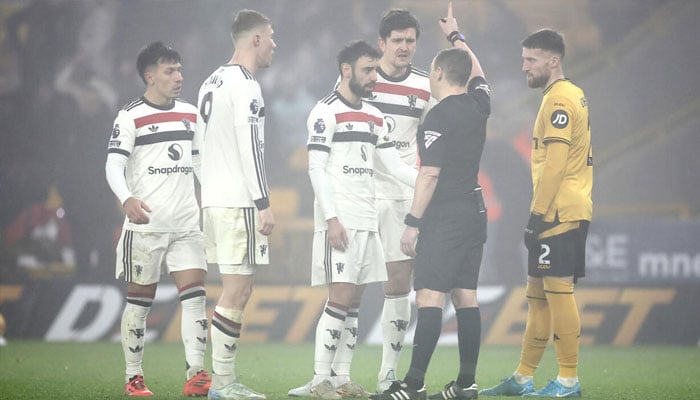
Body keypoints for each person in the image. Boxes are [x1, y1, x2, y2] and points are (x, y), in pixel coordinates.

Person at [372, 3, 490, 400]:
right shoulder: (480, 105)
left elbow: (430, 174)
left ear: (438, 73)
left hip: (447, 214)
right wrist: (456, 36)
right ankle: (467, 384)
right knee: (466, 296)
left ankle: (413, 384)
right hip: (476, 210)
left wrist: (413, 220)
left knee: (428, 297)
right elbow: (480, 75)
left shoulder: (437, 118)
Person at [290, 40, 418, 400]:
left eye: (375, 69)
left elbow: (393, 167)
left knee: (356, 301)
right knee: (341, 296)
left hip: (366, 217)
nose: (374, 76)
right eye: (368, 70)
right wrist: (331, 218)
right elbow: (315, 168)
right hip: (340, 219)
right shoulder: (324, 112)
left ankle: (342, 378)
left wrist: (429, 183)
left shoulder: (375, 117)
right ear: (346, 70)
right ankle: (319, 381)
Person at [479, 28, 591, 399]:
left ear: (553, 60)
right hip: (555, 209)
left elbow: (556, 164)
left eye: (531, 59)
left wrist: (538, 213)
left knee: (558, 294)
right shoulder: (564, 94)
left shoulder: (559, 101)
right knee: (538, 295)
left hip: (559, 211)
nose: (524, 66)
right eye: (523, 58)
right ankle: (524, 376)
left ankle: (569, 381)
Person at [105, 41, 210, 397]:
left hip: (186, 224)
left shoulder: (190, 113)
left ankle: (196, 373)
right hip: (146, 226)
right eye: (170, 71)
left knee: (195, 297)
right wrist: (127, 198)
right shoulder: (130, 116)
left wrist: (211, 200)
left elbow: (200, 164)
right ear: (150, 77)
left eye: (180, 69)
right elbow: (113, 165)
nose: (179, 77)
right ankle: (133, 376)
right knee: (139, 302)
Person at [192, 9, 275, 400]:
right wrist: (263, 202)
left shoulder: (210, 81)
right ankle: (223, 384)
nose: (275, 44)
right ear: (255, 39)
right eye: (271, 36)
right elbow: (251, 146)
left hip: (213, 200)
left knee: (232, 289)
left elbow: (197, 149)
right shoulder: (246, 85)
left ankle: (221, 382)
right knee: (238, 290)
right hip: (239, 201)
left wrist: (208, 189)